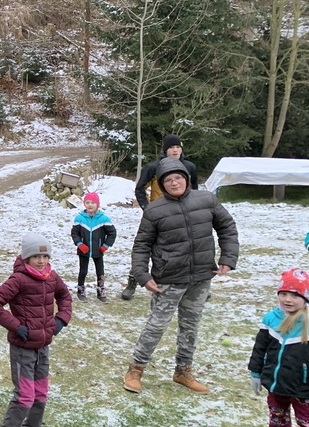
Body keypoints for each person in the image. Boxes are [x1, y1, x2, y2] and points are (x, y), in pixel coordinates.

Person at [123, 158, 238, 395]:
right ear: (162, 185)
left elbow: (227, 227)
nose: (174, 183)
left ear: (186, 178)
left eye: (178, 178)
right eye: (168, 180)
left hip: (201, 276)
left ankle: (183, 371)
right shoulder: (154, 210)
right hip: (168, 279)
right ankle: (136, 369)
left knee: (190, 326)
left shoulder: (206, 200)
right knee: (156, 326)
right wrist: (142, 275)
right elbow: (142, 245)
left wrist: (228, 258)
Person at [0, 233, 72, 427]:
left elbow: (65, 296)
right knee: (25, 395)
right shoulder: (19, 279)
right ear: (26, 257)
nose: (41, 261)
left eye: (45, 256)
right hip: (23, 348)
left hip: (43, 345)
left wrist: (61, 319)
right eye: (36, 256)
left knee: (41, 392)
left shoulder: (52, 277)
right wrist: (16, 326)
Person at [247, 268, 309, 427]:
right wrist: (256, 372)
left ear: (306, 297)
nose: (288, 299)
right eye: (283, 293)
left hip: (304, 388)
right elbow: (260, 348)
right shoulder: (271, 319)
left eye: (295, 295)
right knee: (277, 421)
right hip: (276, 385)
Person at [121, 134, 199, 300]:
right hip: (158, 218)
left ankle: (194, 285)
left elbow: (195, 192)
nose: (175, 150)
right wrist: (147, 209)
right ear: (165, 150)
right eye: (171, 147)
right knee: (144, 249)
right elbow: (140, 189)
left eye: (178, 147)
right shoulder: (153, 168)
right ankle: (132, 283)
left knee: (187, 250)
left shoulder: (189, 167)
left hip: (183, 217)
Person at [70, 191, 117, 301]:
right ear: (84, 204)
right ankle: (80, 289)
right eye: (87, 202)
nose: (90, 205)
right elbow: (74, 233)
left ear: (97, 204)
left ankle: (101, 291)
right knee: (83, 271)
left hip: (98, 250)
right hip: (84, 250)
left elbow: (112, 233)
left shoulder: (104, 219)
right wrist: (79, 244)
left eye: (92, 202)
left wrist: (106, 245)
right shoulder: (79, 218)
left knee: (100, 272)